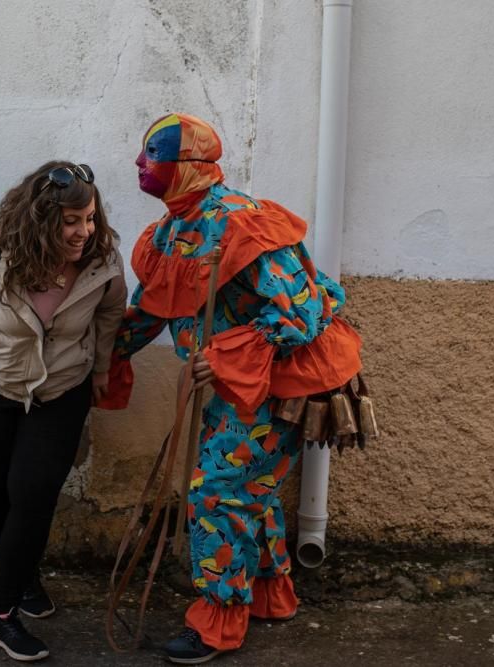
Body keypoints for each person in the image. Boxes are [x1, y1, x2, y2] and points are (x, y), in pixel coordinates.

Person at [104, 113, 364, 663]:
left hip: (282, 384)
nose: (138, 163)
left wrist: (218, 356)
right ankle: (269, 596)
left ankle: (219, 622)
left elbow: (302, 314)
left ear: (189, 166)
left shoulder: (245, 223)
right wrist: (101, 360)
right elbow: (154, 304)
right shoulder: (171, 232)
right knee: (252, 490)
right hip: (236, 387)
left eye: (152, 153)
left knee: (217, 490)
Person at [0, 161, 127, 661]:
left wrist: (100, 368)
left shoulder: (102, 255)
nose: (84, 231)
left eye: (90, 218)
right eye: (71, 221)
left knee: (32, 493)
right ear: (41, 219)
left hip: (61, 389)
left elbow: (109, 311)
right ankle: (24, 579)